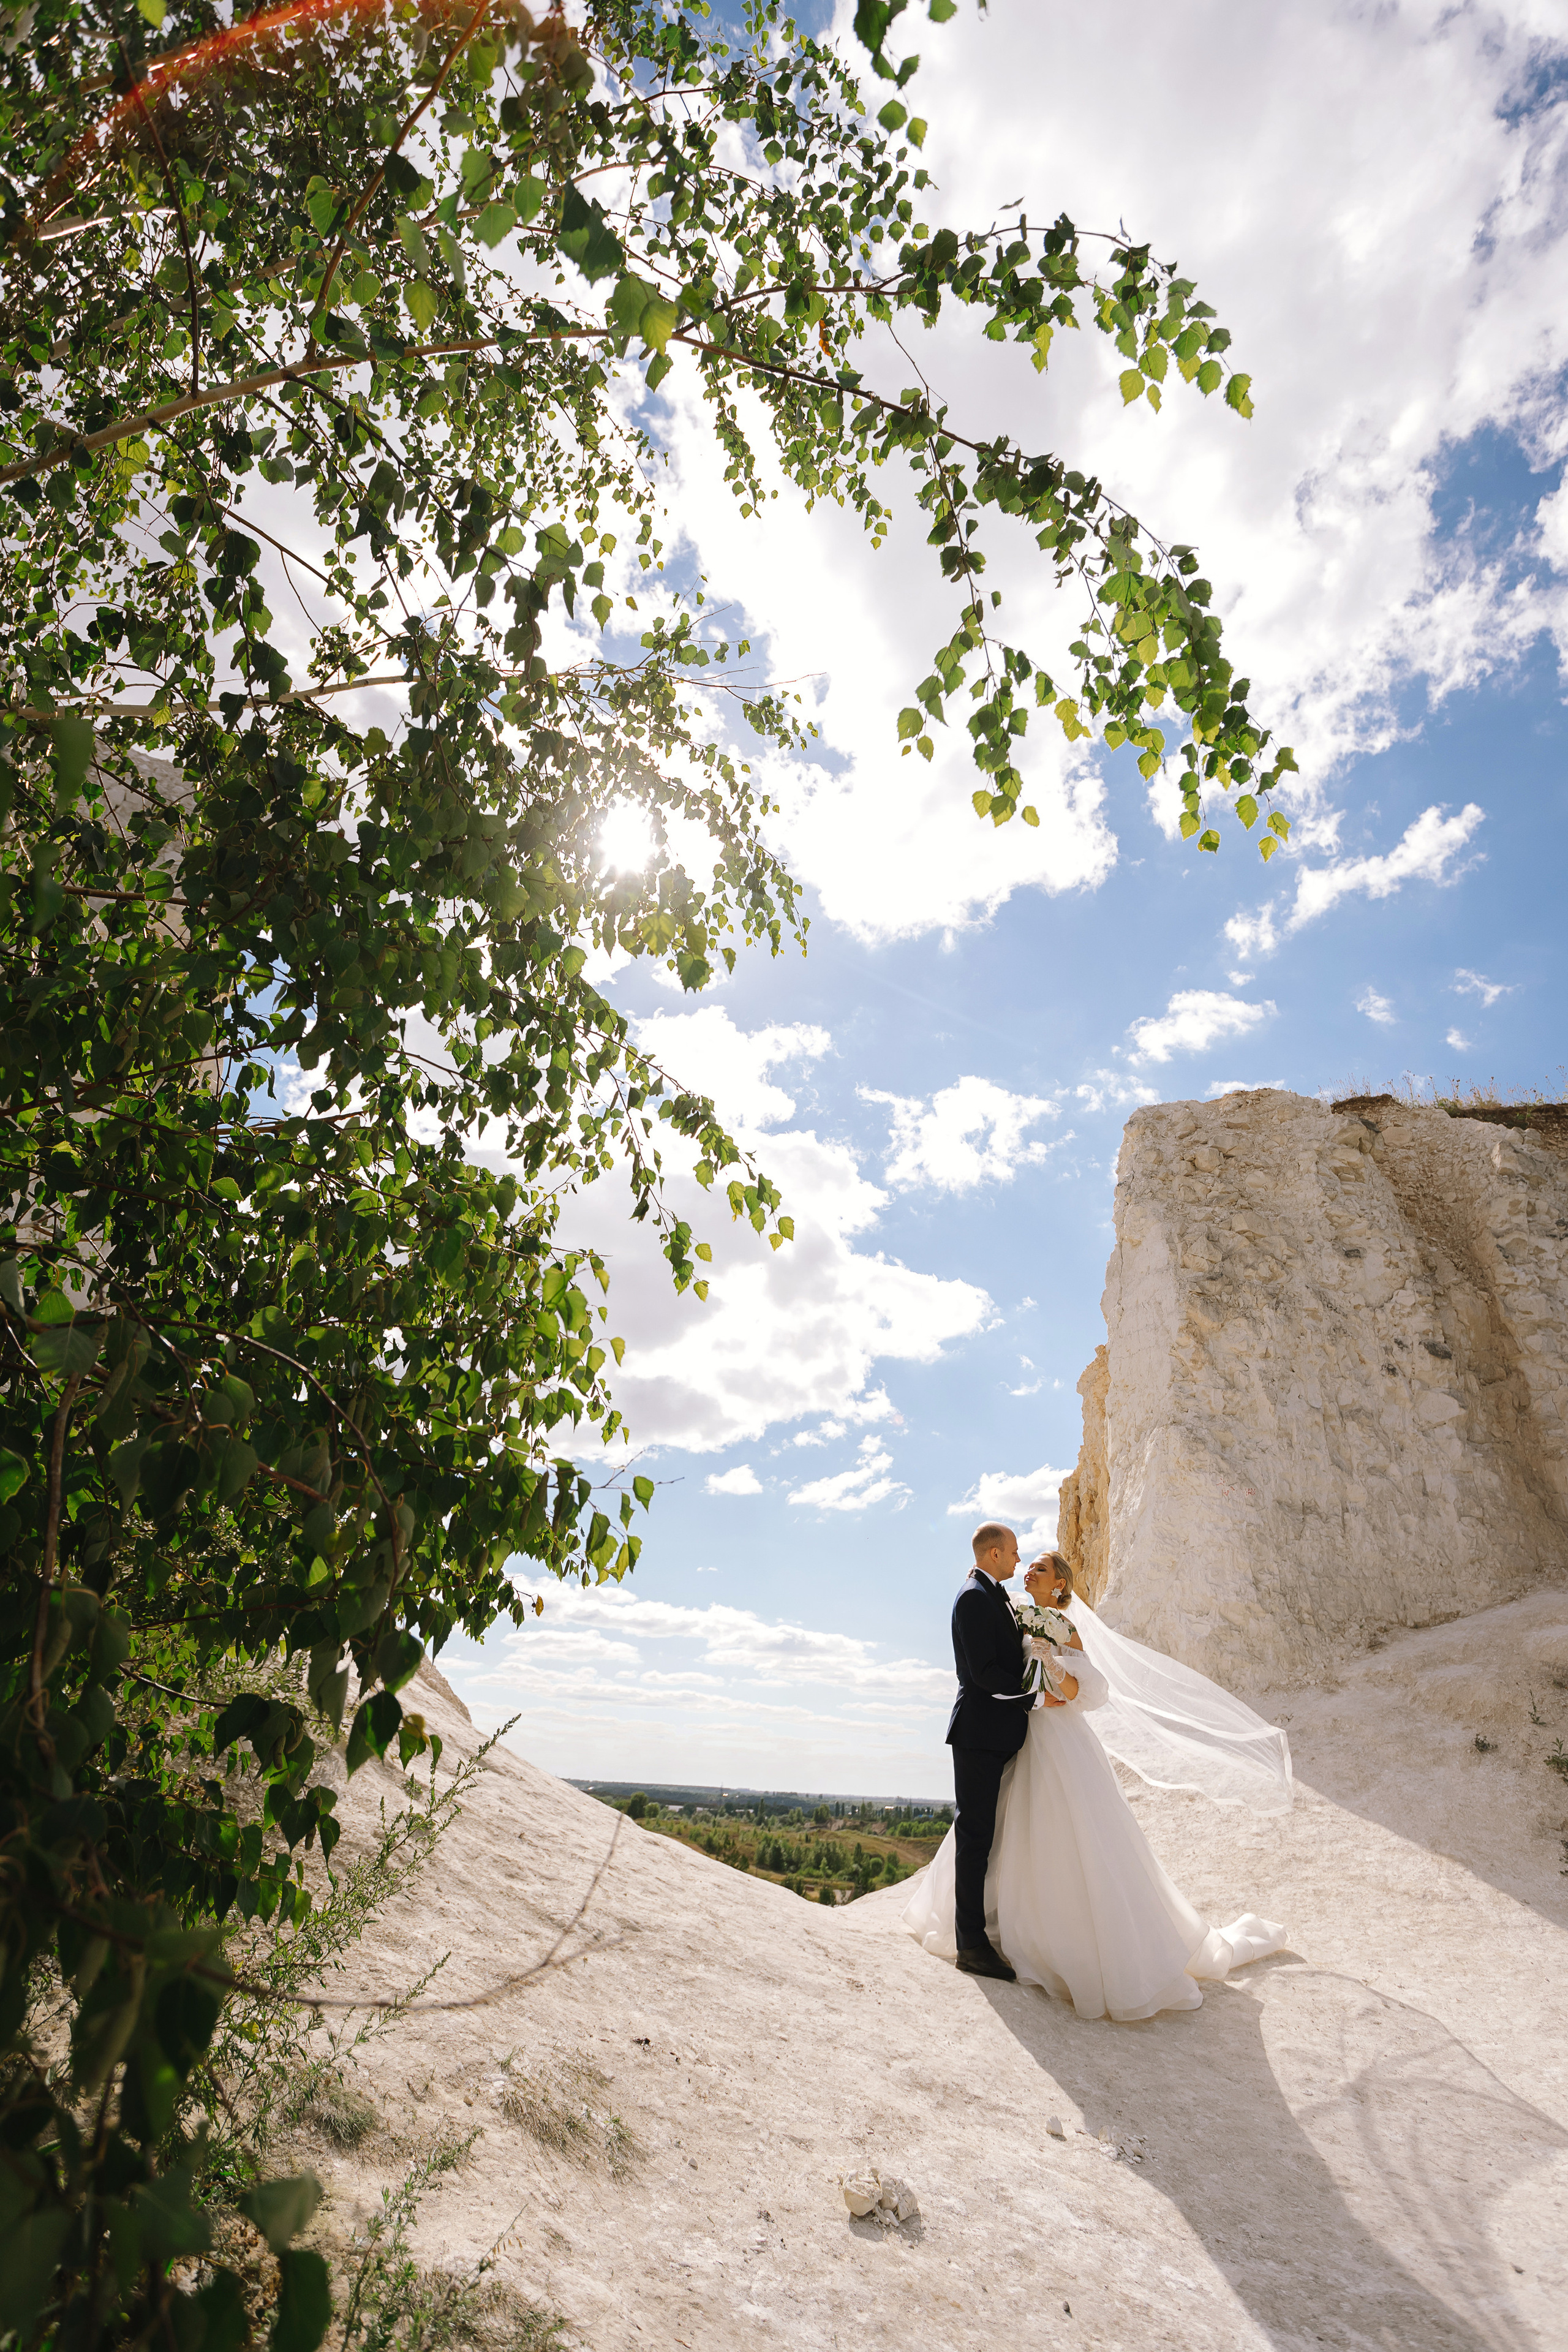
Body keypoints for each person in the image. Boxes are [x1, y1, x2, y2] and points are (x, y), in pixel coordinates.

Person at [907, 1543, 1291, 2021]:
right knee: (1012, 1830)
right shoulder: (1017, 1614)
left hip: (1057, 1737)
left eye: (1040, 1568)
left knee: (1069, 1834)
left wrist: (1050, 1667)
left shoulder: (1063, 1627)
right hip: (1024, 1737)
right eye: (1025, 1564)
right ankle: (999, 1926)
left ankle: (1070, 1944)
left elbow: (1081, 1692)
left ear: (1061, 1583)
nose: (1029, 1570)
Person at [943, 1521, 1073, 1982]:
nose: (1019, 1561)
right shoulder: (974, 1597)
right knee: (975, 1838)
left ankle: (985, 1933)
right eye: (1015, 1553)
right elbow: (984, 1674)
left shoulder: (994, 1596)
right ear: (994, 1554)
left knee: (988, 1838)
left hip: (996, 1735)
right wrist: (1037, 1697)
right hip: (979, 1734)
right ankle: (971, 1946)